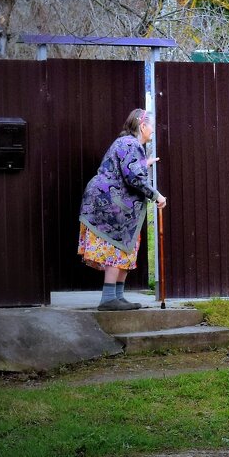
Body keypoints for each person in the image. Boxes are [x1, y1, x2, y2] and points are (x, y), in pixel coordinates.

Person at [78, 108, 167, 311]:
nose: (153, 131)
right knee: (116, 245)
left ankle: (117, 296)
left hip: (115, 205)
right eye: (151, 127)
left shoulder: (128, 144)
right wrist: (156, 195)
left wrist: (145, 163)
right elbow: (133, 176)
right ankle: (109, 297)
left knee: (127, 245)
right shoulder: (130, 143)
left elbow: (127, 166)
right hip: (109, 204)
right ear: (143, 126)